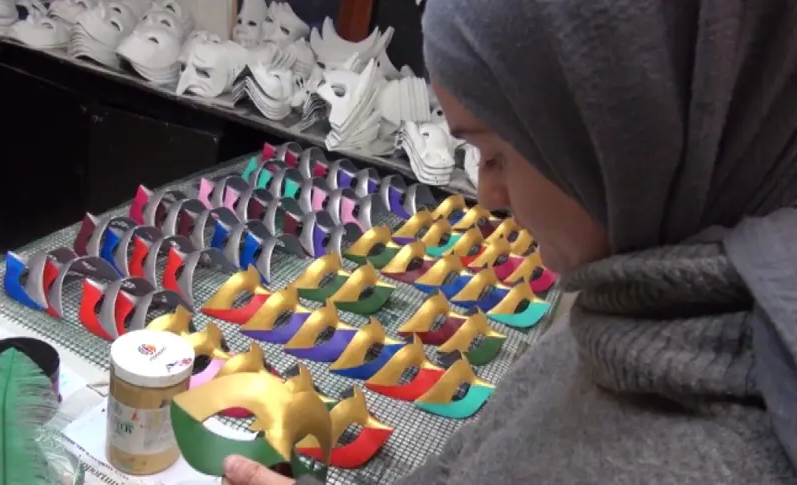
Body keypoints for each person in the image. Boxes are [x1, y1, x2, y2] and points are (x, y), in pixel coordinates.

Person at [221, 0, 797, 483]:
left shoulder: (699, 456)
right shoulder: (638, 317)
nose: (488, 194)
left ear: (621, 144)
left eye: (494, 154)